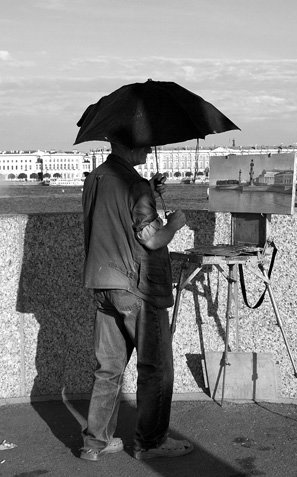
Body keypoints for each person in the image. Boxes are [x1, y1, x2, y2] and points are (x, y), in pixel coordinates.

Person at [80, 142, 192, 462]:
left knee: (108, 369)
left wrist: (149, 192)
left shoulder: (95, 178)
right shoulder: (135, 184)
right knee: (155, 368)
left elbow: (114, 214)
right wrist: (174, 224)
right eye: (144, 141)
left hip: (103, 285)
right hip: (135, 288)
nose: (149, 147)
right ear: (130, 144)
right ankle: (151, 442)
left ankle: (95, 443)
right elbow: (152, 239)